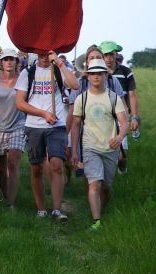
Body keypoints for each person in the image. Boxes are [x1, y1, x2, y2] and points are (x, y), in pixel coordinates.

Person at [15, 51, 79, 220]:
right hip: (34, 126)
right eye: (41, 53)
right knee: (36, 168)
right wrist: (42, 113)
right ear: (36, 53)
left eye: (48, 53)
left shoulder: (58, 70)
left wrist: (59, 62)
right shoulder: (27, 73)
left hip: (57, 125)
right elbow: (20, 103)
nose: (44, 56)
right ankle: (41, 209)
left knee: (57, 164)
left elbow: (75, 85)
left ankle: (57, 210)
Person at [70, 59, 128, 230]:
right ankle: (96, 221)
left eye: (99, 73)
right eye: (93, 73)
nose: (96, 76)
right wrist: (74, 151)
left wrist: (119, 138)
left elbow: (124, 122)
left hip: (110, 148)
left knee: (106, 186)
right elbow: (75, 125)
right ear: (87, 76)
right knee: (94, 183)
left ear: (105, 75)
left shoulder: (114, 98)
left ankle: (100, 212)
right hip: (89, 147)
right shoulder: (82, 98)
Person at [0, 49, 26, 207]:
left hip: (18, 125)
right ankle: (4, 195)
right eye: (6, 59)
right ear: (1, 63)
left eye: (12, 59)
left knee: (12, 162)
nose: (9, 62)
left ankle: (11, 203)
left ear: (17, 62)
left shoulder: (23, 80)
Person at [99, 40, 140, 175]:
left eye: (111, 54)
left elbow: (132, 95)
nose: (109, 58)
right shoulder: (97, 72)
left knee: (122, 157)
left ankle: (122, 170)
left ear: (116, 55)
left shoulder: (126, 71)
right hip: (102, 117)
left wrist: (134, 117)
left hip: (121, 116)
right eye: (106, 55)